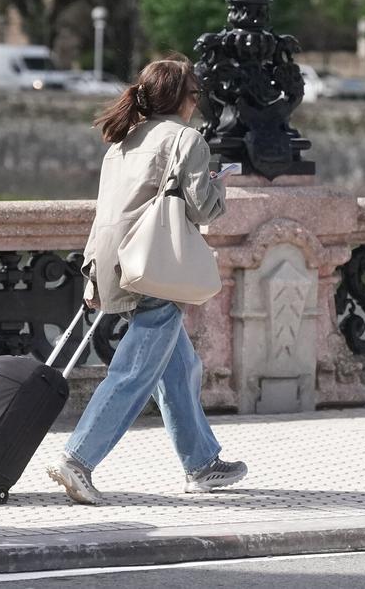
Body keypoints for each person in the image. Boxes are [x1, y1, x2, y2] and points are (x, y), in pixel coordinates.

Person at [46, 53, 247, 505]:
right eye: (196, 95)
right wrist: (219, 182)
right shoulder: (187, 139)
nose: (197, 104)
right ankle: (77, 459)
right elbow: (203, 210)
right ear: (182, 99)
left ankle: (201, 464)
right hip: (153, 266)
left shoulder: (122, 139)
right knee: (134, 372)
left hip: (109, 259)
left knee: (179, 367)